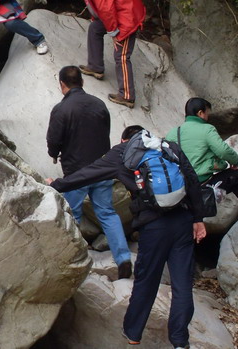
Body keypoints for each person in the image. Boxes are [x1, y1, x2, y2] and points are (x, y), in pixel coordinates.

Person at [47, 125, 207, 349]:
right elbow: (191, 179)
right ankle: (180, 342)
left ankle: (133, 332)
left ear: (124, 140)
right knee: (182, 284)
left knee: (146, 280)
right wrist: (198, 218)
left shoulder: (121, 154)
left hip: (153, 225)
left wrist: (56, 185)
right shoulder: (167, 147)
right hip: (182, 221)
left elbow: (87, 174)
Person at [46, 65, 132, 278]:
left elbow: (54, 139)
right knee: (107, 213)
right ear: (82, 82)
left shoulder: (61, 109)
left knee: (71, 213)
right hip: (102, 169)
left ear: (62, 85)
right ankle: (123, 259)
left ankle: (71, 258)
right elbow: (106, 132)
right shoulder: (99, 104)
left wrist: (54, 152)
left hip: (77, 172)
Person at [166, 97, 238, 221]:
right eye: (207, 113)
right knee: (236, 176)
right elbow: (223, 150)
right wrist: (234, 161)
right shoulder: (206, 129)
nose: (208, 116)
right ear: (200, 113)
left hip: (181, 189)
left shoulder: (173, 133)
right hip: (202, 186)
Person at [60, 0, 146, 109]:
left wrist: (115, 33)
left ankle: (127, 96)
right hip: (120, 13)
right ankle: (95, 66)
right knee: (95, 29)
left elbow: (107, 10)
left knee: (122, 56)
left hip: (126, 18)